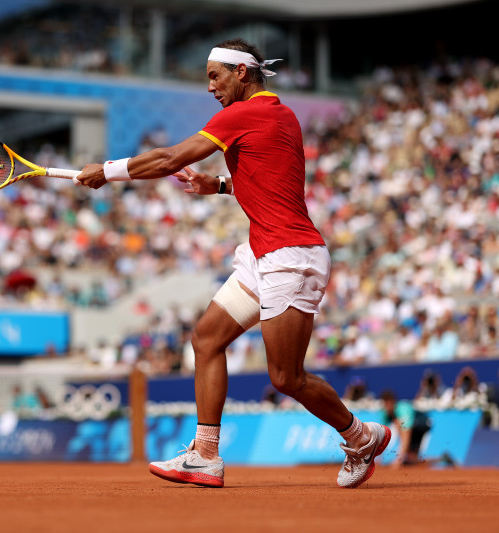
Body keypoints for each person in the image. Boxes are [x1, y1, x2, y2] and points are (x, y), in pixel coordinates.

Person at [76, 38, 391, 488]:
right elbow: (272, 179)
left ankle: (361, 436)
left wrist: (108, 171)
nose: (210, 87)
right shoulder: (282, 114)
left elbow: (168, 159)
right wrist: (221, 186)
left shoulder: (243, 114)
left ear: (241, 73)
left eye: (214, 76)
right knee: (206, 338)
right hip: (264, 253)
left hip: (290, 257)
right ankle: (205, 454)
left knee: (286, 377)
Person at [379, 389, 431, 466]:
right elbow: (381, 435)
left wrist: (399, 460)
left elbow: (406, 434)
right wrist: (377, 458)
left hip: (422, 425)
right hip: (412, 428)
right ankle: (441, 459)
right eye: (384, 405)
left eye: (387, 404)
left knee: (399, 422)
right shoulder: (385, 413)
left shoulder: (403, 409)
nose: (386, 407)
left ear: (393, 402)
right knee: (412, 459)